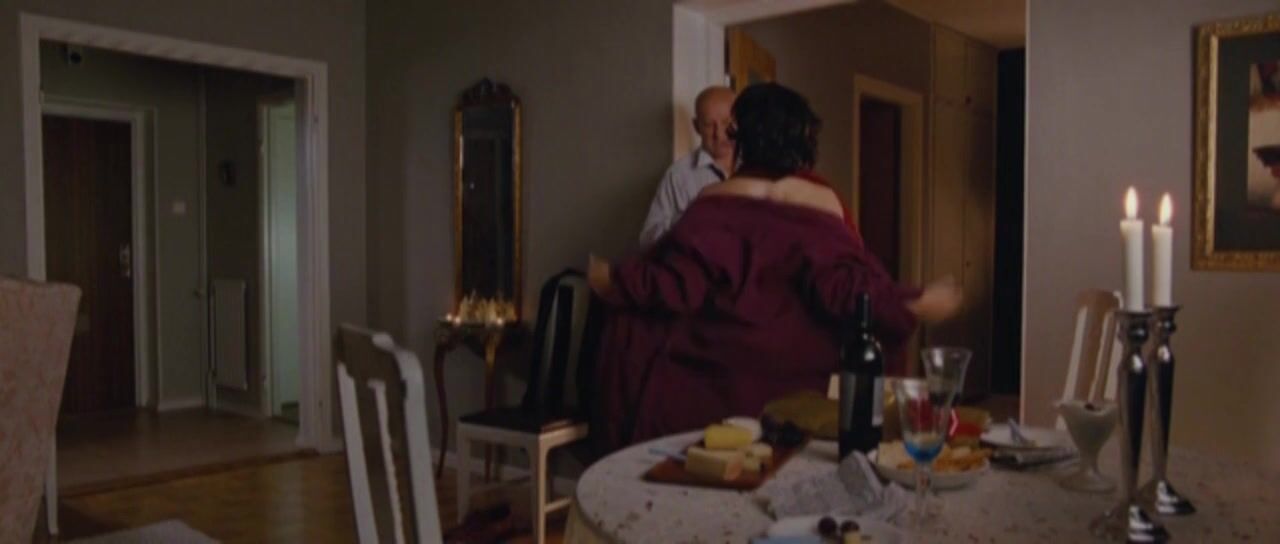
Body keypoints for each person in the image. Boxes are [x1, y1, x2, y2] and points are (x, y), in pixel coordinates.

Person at [587, 83, 962, 452]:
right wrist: (903, 300)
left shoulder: (713, 200)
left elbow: (677, 284)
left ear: (742, 138)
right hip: (796, 394)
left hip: (712, 386)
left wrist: (614, 279)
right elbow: (844, 286)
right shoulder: (822, 200)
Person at [638, 86, 736, 245]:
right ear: (696, 126)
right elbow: (647, 241)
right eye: (708, 125)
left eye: (726, 123)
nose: (719, 134)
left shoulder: (759, 166)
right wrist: (690, 222)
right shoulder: (678, 175)